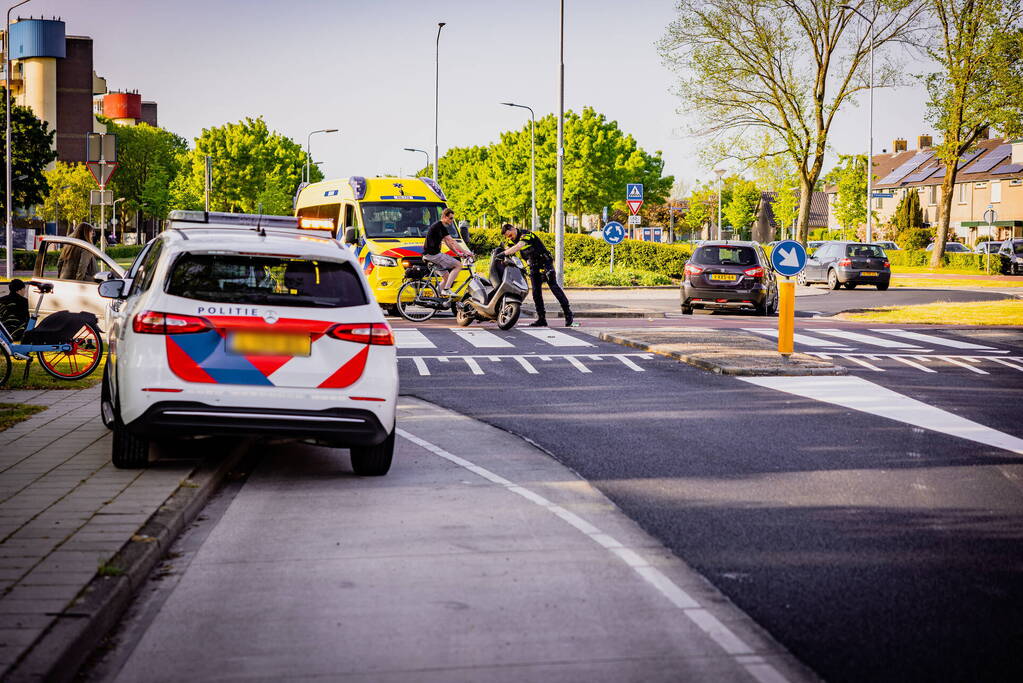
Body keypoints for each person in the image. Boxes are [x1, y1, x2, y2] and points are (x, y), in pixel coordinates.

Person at [500, 223, 573, 327]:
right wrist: (500, 252)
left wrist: (503, 254)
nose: (510, 238)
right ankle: (541, 319)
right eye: (508, 237)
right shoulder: (512, 240)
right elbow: (507, 248)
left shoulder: (526, 235)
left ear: (513, 229)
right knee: (536, 293)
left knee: (554, 288)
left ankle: (568, 314)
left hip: (545, 263)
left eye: (510, 235)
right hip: (534, 266)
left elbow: (518, 246)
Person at [423, 208, 471, 296]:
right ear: (445, 217)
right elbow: (452, 241)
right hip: (433, 255)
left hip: (429, 255)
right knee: (458, 265)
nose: (452, 220)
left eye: (453, 218)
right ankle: (446, 289)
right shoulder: (439, 226)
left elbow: (448, 242)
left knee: (446, 277)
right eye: (451, 218)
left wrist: (458, 253)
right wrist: (465, 251)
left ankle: (434, 299)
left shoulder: (441, 226)